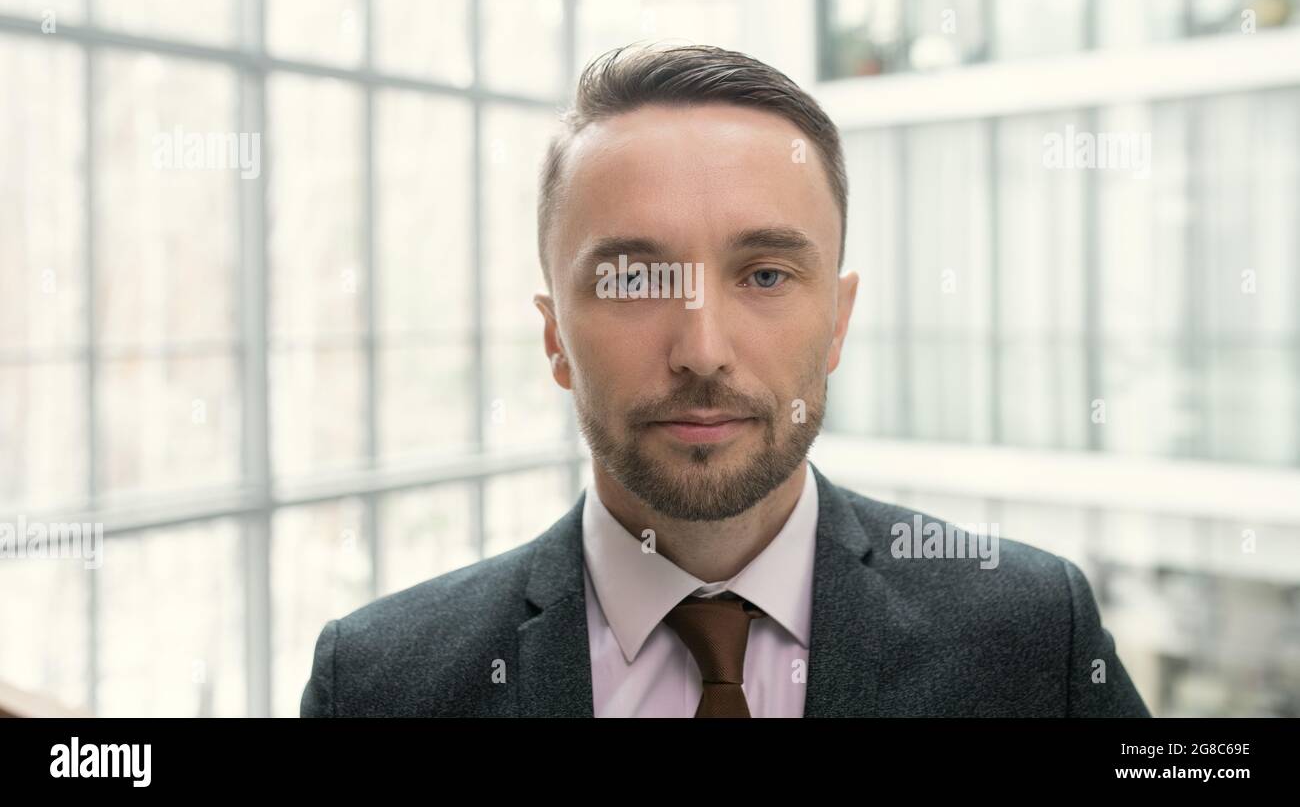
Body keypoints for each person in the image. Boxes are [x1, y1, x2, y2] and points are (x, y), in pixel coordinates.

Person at [300, 43, 1150, 718]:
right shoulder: (379, 686)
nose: (702, 349)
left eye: (766, 275)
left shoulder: (1031, 636)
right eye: (635, 280)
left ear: (838, 325)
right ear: (554, 335)